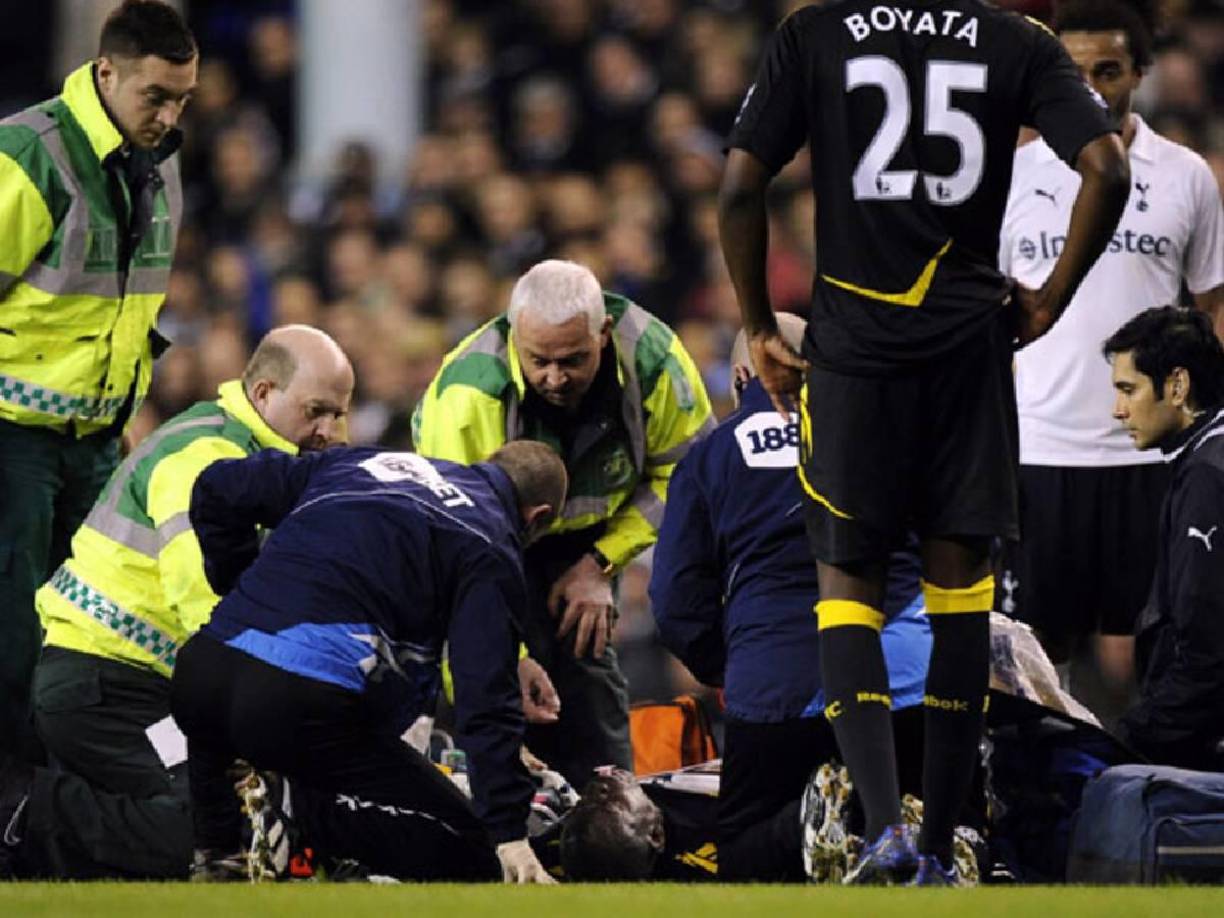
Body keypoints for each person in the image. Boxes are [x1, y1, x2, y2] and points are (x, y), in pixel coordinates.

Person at [718, 1, 1130, 884]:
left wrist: (758, 321)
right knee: (958, 603)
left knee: (849, 594)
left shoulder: (816, 31)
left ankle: (880, 835)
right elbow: (1108, 167)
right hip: (967, 357)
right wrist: (1050, 298)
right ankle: (944, 843)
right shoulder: (1016, 39)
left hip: (856, 358)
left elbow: (739, 186)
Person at [0, 326, 353, 879]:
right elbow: (206, 607)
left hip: (141, 690)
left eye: (340, 415)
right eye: (317, 411)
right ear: (264, 394)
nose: (329, 432)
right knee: (214, 825)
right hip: (104, 686)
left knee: (234, 815)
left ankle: (60, 836)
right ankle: (17, 810)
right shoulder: (206, 457)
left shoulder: (248, 458)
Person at [172, 441, 567, 883]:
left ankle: (221, 854)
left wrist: (239, 583)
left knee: (220, 874)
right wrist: (507, 832)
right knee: (471, 848)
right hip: (292, 706)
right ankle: (304, 819)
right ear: (539, 518)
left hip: (200, 677)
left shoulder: (359, 462)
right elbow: (486, 696)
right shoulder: (489, 540)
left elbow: (216, 485)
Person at [998, 0, 1224, 725]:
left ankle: (1145, 798)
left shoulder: (1187, 177)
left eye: (1110, 70)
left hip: (1151, 459)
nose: (1093, 88)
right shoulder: (1008, 175)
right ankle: (1046, 814)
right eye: (1076, 71)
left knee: (1156, 651)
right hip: (1038, 449)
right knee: (1036, 657)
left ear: (1141, 73)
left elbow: (1212, 302)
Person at [649, 315, 932, 881]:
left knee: (742, 852)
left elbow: (676, 599)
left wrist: (729, 666)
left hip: (774, 679)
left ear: (742, 377)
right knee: (930, 815)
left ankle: (804, 825)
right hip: (900, 671)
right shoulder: (883, 437)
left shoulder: (710, 458)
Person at [413, 258, 714, 785]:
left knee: (590, 689)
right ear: (513, 337)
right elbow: (456, 551)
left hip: (591, 541)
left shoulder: (655, 361)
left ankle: (612, 828)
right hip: (485, 541)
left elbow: (690, 475)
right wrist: (513, 656)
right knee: (491, 688)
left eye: (573, 359)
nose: (555, 377)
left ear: (602, 333)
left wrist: (599, 564)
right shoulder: (468, 395)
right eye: (538, 361)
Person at [0, 0, 199, 760]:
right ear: (104, 71)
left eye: (182, 98)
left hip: (96, 441)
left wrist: (124, 408)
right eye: (156, 96)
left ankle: (66, 799)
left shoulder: (158, 161)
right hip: (14, 439)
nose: (170, 113)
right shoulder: (29, 155)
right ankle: (15, 807)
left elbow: (124, 308)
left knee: (96, 630)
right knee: (14, 635)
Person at [1105, 307, 1224, 771]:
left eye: (1128, 390)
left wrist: (1128, 741)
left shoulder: (1208, 479)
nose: (1117, 411)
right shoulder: (1202, 461)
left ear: (1176, 386)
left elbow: (1207, 654)